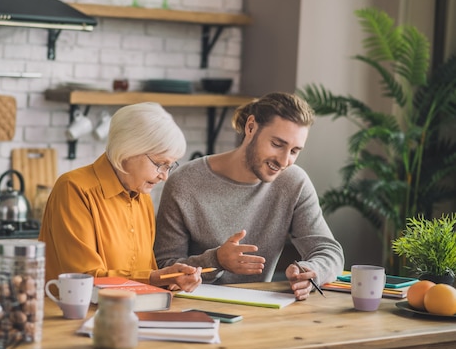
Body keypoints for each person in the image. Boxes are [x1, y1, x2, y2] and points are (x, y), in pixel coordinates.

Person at [154, 92, 344, 300]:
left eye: (294, 151)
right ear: (251, 127)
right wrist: (216, 260)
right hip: (192, 308)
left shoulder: (293, 182)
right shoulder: (185, 182)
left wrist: (310, 271)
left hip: (261, 311)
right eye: (277, 144)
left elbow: (329, 251)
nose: (284, 161)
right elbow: (164, 268)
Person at [39, 102, 202, 292]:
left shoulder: (142, 197)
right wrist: (154, 278)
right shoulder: (73, 188)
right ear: (128, 151)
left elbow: (145, 273)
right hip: (75, 317)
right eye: (160, 164)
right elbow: (82, 279)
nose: (164, 176)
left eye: (169, 166)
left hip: (131, 313)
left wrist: (169, 280)